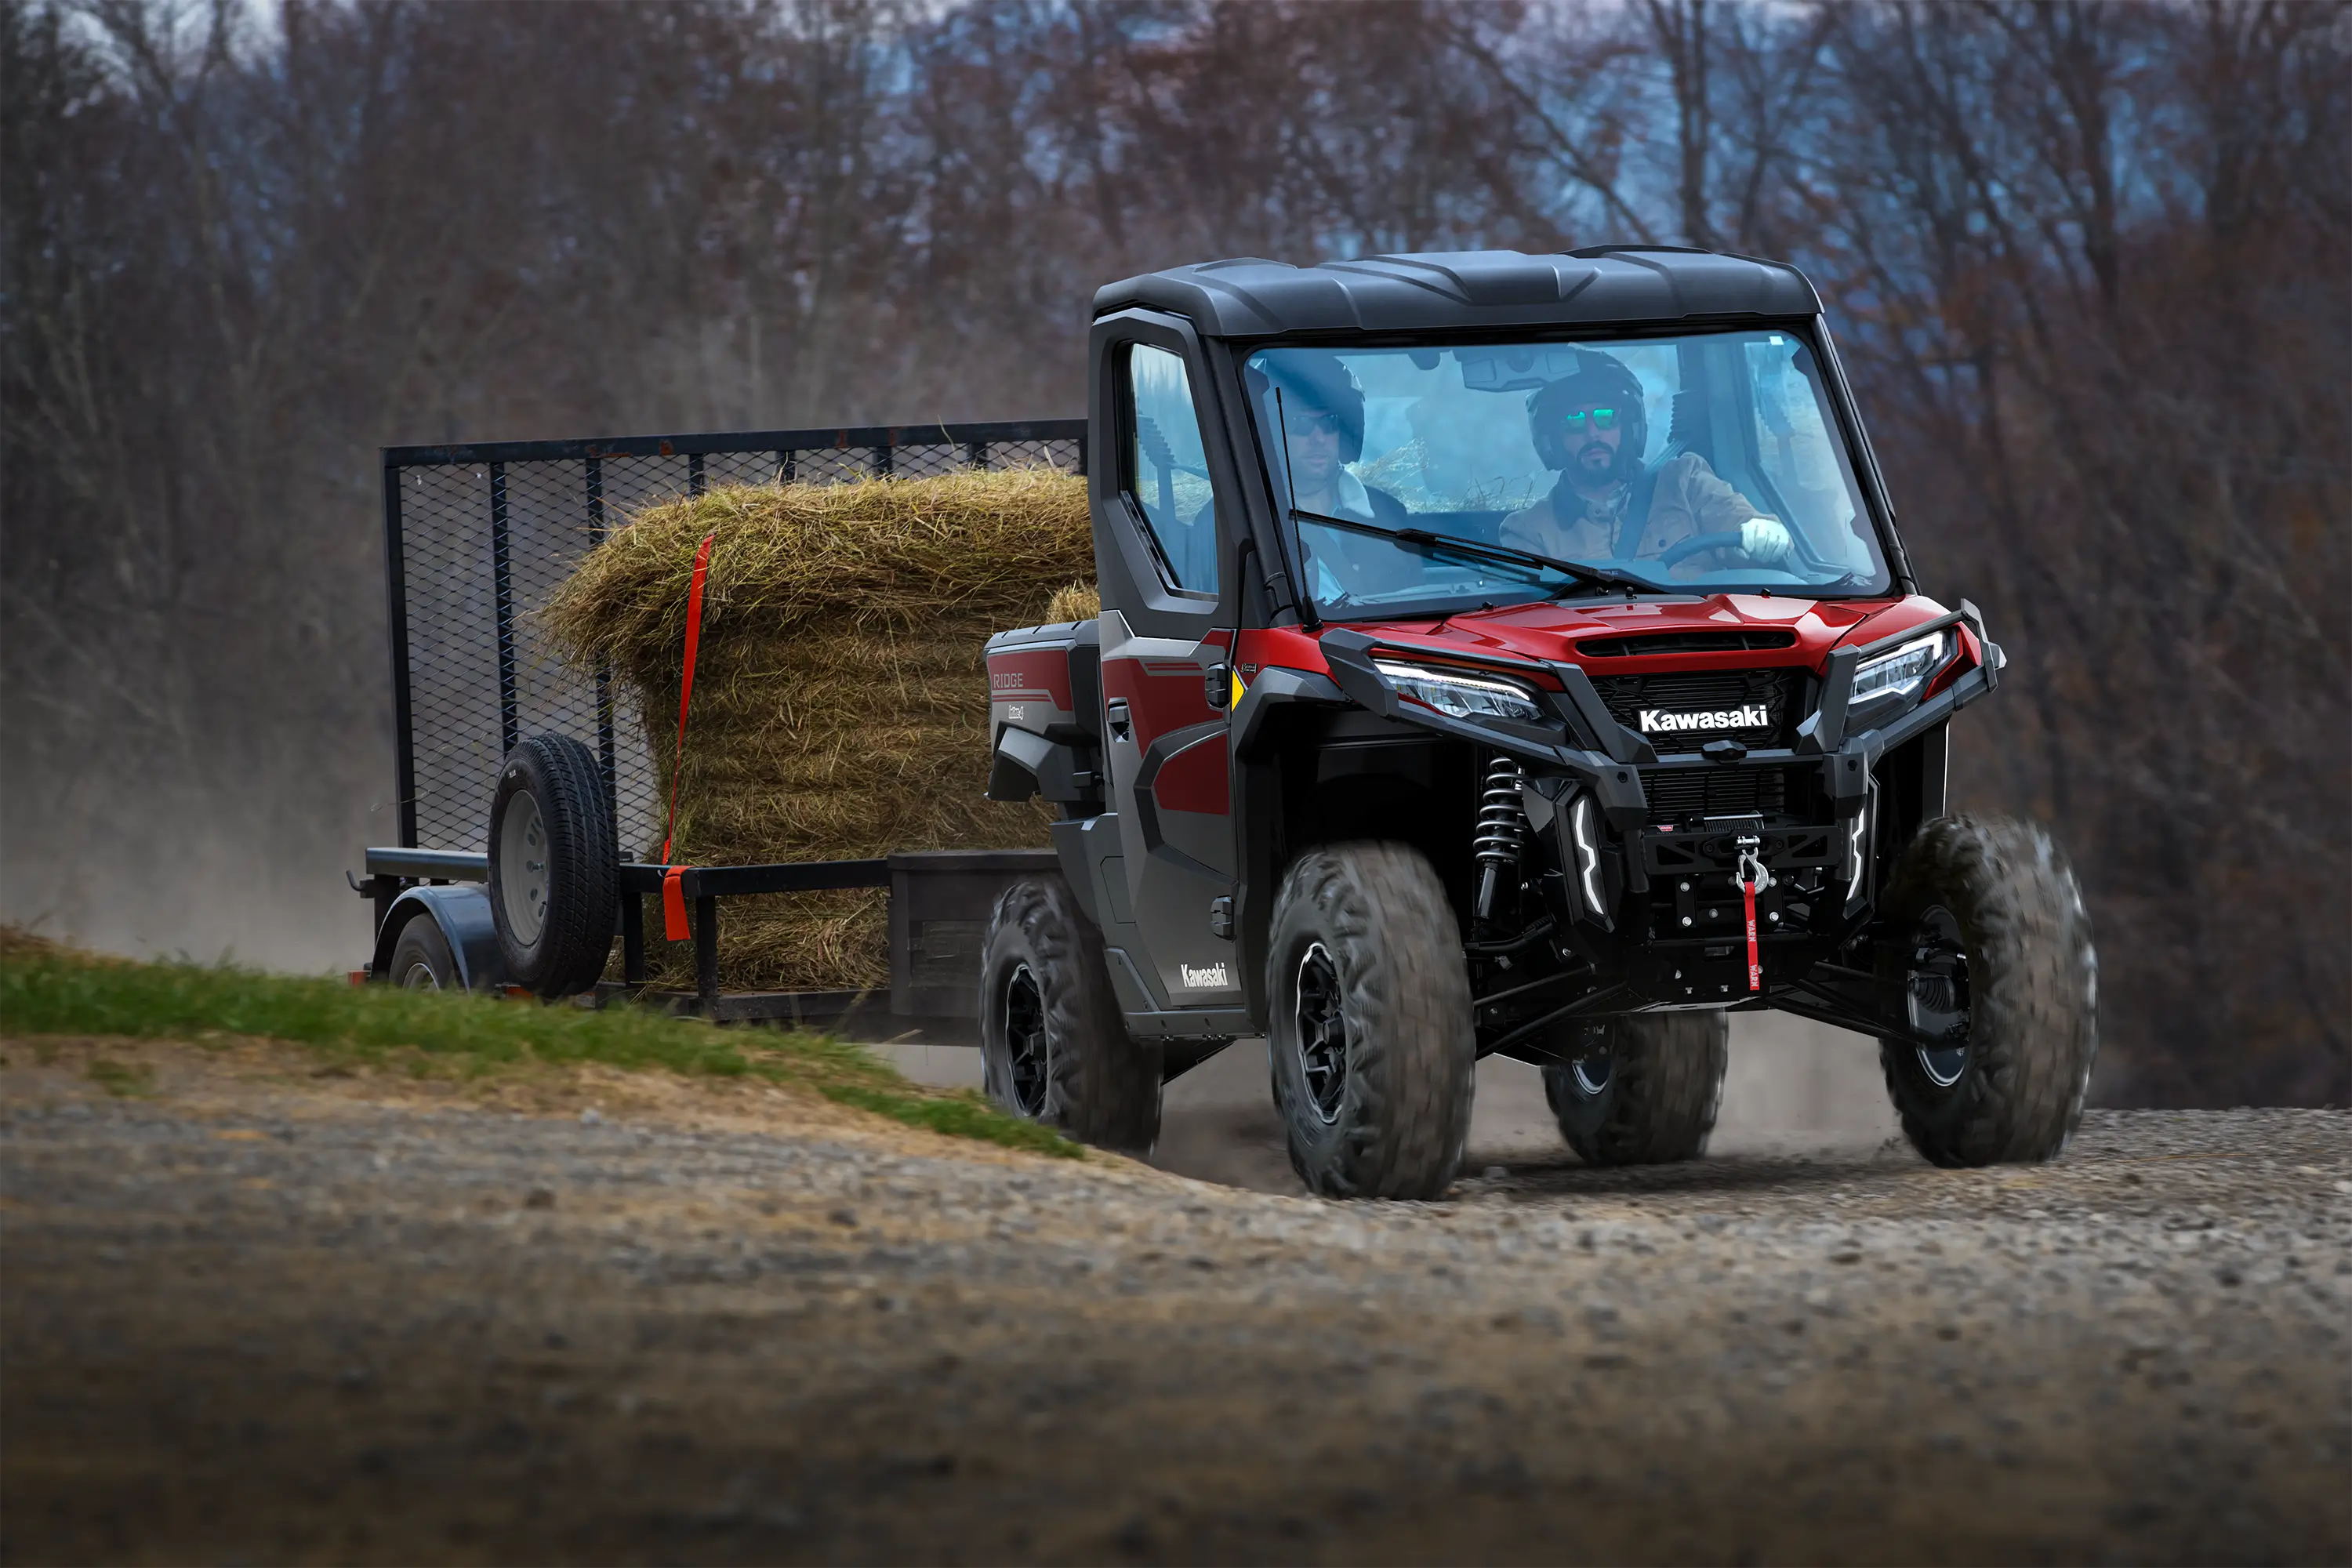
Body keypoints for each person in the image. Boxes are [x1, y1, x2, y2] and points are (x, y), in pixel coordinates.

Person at [1500, 349, 1793, 578]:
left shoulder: (1685, 481)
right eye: (1573, 423)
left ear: (1629, 426)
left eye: (1606, 418)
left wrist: (1763, 534)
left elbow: (1738, 522)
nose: (1592, 433)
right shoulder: (1529, 531)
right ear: (1554, 439)